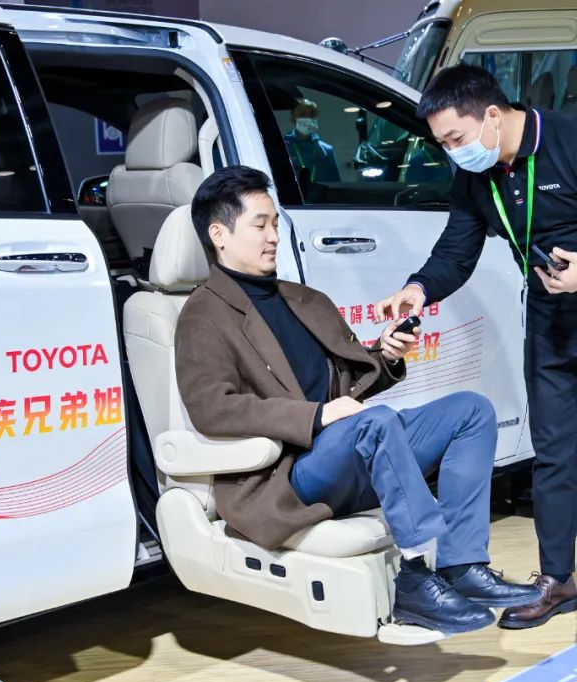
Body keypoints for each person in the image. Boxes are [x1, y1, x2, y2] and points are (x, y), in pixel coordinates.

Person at [374, 64, 577, 649]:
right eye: (442, 144)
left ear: (491, 115)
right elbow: (457, 248)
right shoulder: (476, 174)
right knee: (552, 454)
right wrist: (420, 288)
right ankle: (556, 580)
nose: (453, 152)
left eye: (456, 138)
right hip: (550, 320)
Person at [174, 166, 539, 635]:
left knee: (471, 411)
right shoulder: (203, 315)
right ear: (219, 235)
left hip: (349, 452)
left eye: (275, 224)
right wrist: (317, 415)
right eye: (259, 225)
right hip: (288, 473)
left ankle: (461, 565)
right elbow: (213, 408)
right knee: (376, 421)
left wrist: (384, 356)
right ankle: (415, 576)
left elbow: (345, 385)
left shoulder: (303, 299)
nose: (274, 237)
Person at [284, 98, 341, 184]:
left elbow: (335, 185)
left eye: (312, 115)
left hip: (320, 192)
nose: (308, 118)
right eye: (302, 115)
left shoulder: (326, 151)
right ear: (293, 119)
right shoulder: (283, 148)